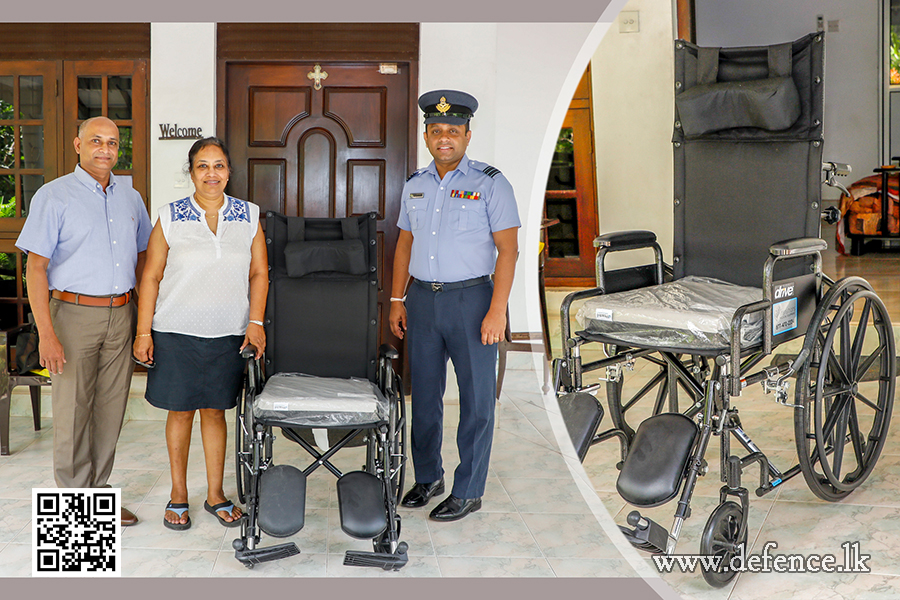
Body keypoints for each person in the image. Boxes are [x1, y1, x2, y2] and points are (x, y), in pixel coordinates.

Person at [389, 90, 520, 521]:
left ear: (466, 134)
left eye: (453, 131)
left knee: (477, 399)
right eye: (436, 130)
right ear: (426, 135)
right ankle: (428, 477)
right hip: (424, 300)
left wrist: (497, 310)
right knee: (423, 396)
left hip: (473, 300)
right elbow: (404, 243)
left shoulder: (490, 182)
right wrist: (397, 298)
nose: (444, 138)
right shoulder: (415, 185)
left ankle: (469, 489)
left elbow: (508, 250)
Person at [16, 116, 152, 526]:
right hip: (72, 315)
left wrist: (143, 318)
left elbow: (145, 257)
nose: (105, 149)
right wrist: (46, 334)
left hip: (122, 313)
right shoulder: (53, 196)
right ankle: (74, 511)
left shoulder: (131, 197)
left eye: (112, 143)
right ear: (78, 145)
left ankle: (98, 497)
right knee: (74, 412)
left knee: (110, 412)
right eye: (96, 141)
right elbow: (35, 269)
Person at [133, 137, 267, 531]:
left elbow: (259, 272)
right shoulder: (171, 215)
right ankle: (177, 494)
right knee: (181, 411)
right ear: (191, 172)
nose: (212, 174)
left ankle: (215, 494)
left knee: (214, 411)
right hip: (175, 331)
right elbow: (152, 275)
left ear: (229, 171)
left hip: (229, 333)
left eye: (219, 165)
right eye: (203, 166)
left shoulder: (248, 215)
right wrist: (144, 332)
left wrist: (255, 324)